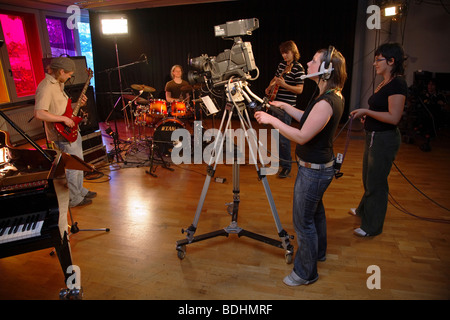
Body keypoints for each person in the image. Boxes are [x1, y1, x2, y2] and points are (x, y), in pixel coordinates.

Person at [255, 46, 347, 286]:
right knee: (315, 214)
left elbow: (303, 135)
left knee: (303, 223)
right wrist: (285, 108)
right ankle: (318, 254)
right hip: (318, 168)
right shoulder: (328, 95)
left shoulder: (327, 101)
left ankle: (306, 273)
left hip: (314, 171)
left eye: (314, 61)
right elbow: (309, 117)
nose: (308, 63)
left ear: (326, 70)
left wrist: (272, 119)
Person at [350, 43, 408, 237]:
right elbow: (382, 111)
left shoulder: (398, 84)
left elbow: (394, 117)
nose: (374, 63)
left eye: (378, 59)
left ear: (391, 61)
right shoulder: (386, 81)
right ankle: (363, 211)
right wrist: (369, 117)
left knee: (377, 182)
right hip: (374, 136)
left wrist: (367, 111)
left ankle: (372, 227)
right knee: (369, 178)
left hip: (384, 139)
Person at [34, 57, 96, 208]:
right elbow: (39, 113)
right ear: (61, 71)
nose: (70, 77)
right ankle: (74, 199)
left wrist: (78, 105)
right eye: (68, 74)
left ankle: (80, 190)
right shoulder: (46, 87)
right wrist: (62, 118)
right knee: (73, 166)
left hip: (71, 128)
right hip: (61, 133)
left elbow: (62, 108)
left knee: (79, 161)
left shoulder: (59, 84)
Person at [265, 40, 305, 178]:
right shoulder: (282, 65)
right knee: (276, 137)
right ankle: (278, 162)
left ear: (293, 52)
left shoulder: (298, 68)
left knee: (283, 138)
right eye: (282, 53)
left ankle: (287, 166)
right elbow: (275, 79)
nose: (284, 56)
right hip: (275, 104)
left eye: (286, 53)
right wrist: (270, 87)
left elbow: (300, 90)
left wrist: (285, 84)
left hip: (287, 108)